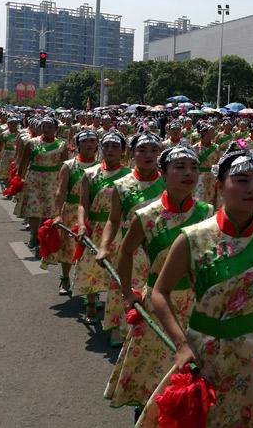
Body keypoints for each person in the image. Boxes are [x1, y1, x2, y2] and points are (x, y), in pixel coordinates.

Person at [136, 143, 253, 427]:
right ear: (219, 185)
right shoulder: (192, 238)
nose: (252, 188)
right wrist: (181, 344)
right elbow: (159, 293)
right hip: (206, 353)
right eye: (240, 181)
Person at [104, 146, 213, 414]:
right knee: (151, 374)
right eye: (179, 167)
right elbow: (126, 252)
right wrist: (128, 292)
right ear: (163, 173)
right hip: (158, 304)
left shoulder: (208, 212)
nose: (188, 173)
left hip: (198, 305)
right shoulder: (146, 216)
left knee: (196, 373)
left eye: (194, 167)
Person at [96, 131, 165, 346]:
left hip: (161, 248)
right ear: (132, 153)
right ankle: (119, 327)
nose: (148, 155)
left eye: (154, 150)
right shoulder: (123, 185)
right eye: (142, 150)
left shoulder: (169, 182)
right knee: (125, 289)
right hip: (130, 249)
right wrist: (104, 246)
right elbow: (113, 220)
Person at [73, 131, 132, 324]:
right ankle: (91, 303)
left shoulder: (129, 177)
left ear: (123, 151)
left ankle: (116, 315)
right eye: (106, 146)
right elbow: (82, 204)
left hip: (120, 230)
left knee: (119, 272)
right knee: (91, 268)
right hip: (95, 228)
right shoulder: (90, 174)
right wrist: (82, 224)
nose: (110, 150)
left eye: (115, 146)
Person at [46, 130, 100, 292]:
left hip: (95, 213)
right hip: (72, 211)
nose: (89, 144)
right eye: (84, 141)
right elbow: (60, 191)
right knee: (69, 248)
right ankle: (65, 278)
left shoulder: (102, 166)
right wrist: (57, 214)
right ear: (78, 144)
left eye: (92, 140)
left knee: (92, 250)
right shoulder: (69, 166)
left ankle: (91, 290)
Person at [17, 116, 68, 255]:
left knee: (48, 212)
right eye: (44, 126)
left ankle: (42, 236)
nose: (46, 129)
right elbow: (24, 162)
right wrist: (19, 179)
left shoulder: (62, 145)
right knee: (34, 210)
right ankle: (34, 235)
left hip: (53, 181)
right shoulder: (32, 143)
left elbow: (66, 166)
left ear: (56, 129)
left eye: (50, 126)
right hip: (34, 180)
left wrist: (67, 184)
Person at [193, 121, 221, 206]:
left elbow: (217, 163)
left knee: (210, 199)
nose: (214, 133)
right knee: (199, 199)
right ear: (204, 133)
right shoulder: (195, 148)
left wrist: (217, 177)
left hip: (212, 178)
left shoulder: (216, 147)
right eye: (211, 131)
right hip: (199, 177)